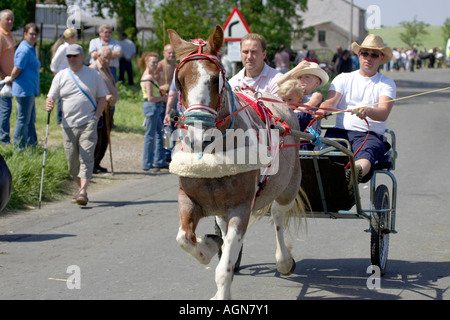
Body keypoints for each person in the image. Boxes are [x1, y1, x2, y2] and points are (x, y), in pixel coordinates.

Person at [316, 34, 396, 184]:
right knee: (321, 157)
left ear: (381, 58)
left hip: (369, 134)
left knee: (367, 154)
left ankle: (354, 173)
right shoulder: (343, 78)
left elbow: (383, 112)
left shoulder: (386, 83)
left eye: (374, 54)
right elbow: (331, 101)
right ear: (359, 55)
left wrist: (368, 111)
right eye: (364, 53)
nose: (368, 58)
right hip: (340, 133)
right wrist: (322, 110)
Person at [46, 44, 108, 206]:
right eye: (69, 56)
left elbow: (102, 98)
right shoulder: (61, 76)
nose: (72, 59)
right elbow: (50, 97)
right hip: (68, 125)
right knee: (72, 163)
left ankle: (83, 192)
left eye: (75, 56)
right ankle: (81, 189)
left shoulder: (93, 74)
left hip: (88, 122)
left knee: (86, 157)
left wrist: (96, 117)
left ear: (82, 56)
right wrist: (49, 103)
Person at [277, 61, 329, 149]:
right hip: (293, 137)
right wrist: (296, 68)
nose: (302, 79)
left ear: (317, 82)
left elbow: (308, 106)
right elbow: (279, 83)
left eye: (307, 77)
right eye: (300, 77)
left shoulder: (316, 95)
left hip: (308, 139)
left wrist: (291, 113)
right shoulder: (294, 94)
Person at [10, 22, 40, 149]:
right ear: (25, 34)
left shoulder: (30, 48)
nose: (34, 36)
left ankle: (31, 145)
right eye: (31, 34)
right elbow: (17, 69)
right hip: (24, 89)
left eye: (36, 34)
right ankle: (19, 147)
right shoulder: (24, 49)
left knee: (30, 119)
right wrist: (10, 79)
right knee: (23, 120)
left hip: (30, 89)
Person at [89, 46, 118, 174]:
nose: (108, 60)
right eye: (106, 57)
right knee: (99, 137)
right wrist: (104, 97)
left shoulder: (107, 68)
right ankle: (92, 163)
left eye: (110, 58)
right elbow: (89, 89)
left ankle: (98, 162)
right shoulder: (93, 69)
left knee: (106, 137)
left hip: (109, 108)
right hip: (99, 107)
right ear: (99, 56)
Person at [138, 52, 168, 173]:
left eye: (156, 62)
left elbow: (155, 93)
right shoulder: (148, 77)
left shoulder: (151, 76)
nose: (155, 64)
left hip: (154, 106)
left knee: (159, 134)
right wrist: (163, 98)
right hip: (152, 106)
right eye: (153, 62)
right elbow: (150, 97)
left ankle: (159, 161)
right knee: (151, 136)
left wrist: (162, 92)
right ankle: (147, 164)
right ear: (147, 63)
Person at [50, 28, 78, 124]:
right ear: (71, 37)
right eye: (75, 36)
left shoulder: (72, 47)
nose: (77, 38)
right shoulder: (63, 48)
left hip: (70, 75)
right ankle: (60, 119)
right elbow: (54, 62)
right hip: (62, 75)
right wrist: (56, 75)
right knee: (61, 98)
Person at [0, 9, 15, 145]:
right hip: (3, 82)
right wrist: (5, 78)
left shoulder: (9, 35)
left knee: (6, 110)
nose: (10, 22)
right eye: (7, 19)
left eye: (11, 19)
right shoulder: (0, 35)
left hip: (9, 81)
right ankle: (3, 140)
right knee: (4, 111)